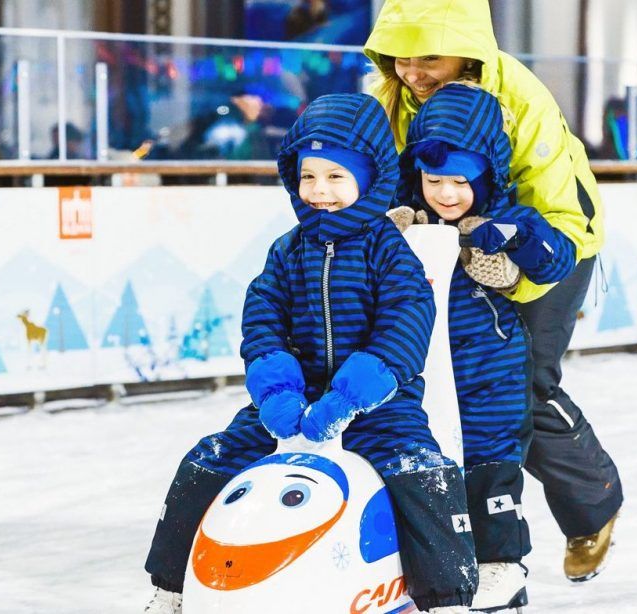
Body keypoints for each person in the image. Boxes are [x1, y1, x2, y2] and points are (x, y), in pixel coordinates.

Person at [143, 93, 477, 614]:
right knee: (208, 461)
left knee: (423, 475)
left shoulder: (390, 252)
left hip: (379, 407)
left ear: (369, 178)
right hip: (289, 406)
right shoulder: (286, 250)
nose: (320, 190)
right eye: (308, 177)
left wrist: (350, 396)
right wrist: (276, 391)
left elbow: (406, 327)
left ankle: (447, 599)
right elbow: (262, 320)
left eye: (336, 177)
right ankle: (171, 588)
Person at [364, 0, 623, 582]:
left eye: (429, 55)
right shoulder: (389, 97)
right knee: (437, 387)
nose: (413, 72)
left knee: (519, 381)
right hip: (446, 245)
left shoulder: (520, 98)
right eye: (399, 58)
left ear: (471, 47)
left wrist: (515, 272)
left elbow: (561, 210)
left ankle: (592, 505)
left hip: (550, 243)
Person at [389, 82, 576, 610]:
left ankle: (502, 566)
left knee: (490, 470)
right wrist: (393, 231)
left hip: (489, 376)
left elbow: (557, 260)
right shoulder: (410, 220)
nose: (446, 194)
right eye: (434, 180)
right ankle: (430, 569)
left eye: (460, 182)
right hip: (425, 372)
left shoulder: (510, 217)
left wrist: (514, 237)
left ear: (487, 174)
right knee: (428, 470)